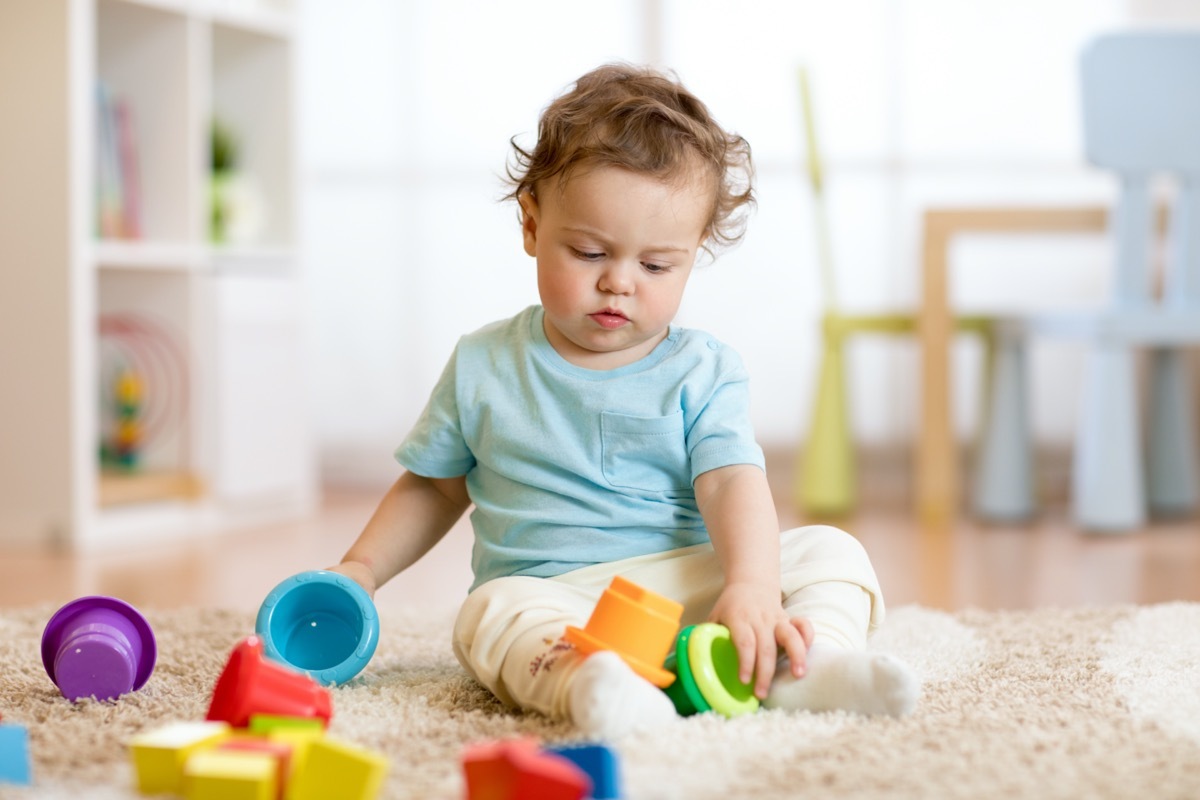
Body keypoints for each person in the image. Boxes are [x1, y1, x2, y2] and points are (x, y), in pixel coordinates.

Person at [329, 63, 918, 738]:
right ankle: (593, 683)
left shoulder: (704, 369)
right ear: (531, 226)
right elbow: (434, 489)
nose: (618, 283)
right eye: (588, 252)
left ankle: (808, 666)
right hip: (553, 598)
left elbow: (731, 482)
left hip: (688, 588)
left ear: (694, 255)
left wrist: (750, 585)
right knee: (486, 615)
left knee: (830, 551)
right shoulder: (484, 364)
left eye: (656, 265)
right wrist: (361, 569)